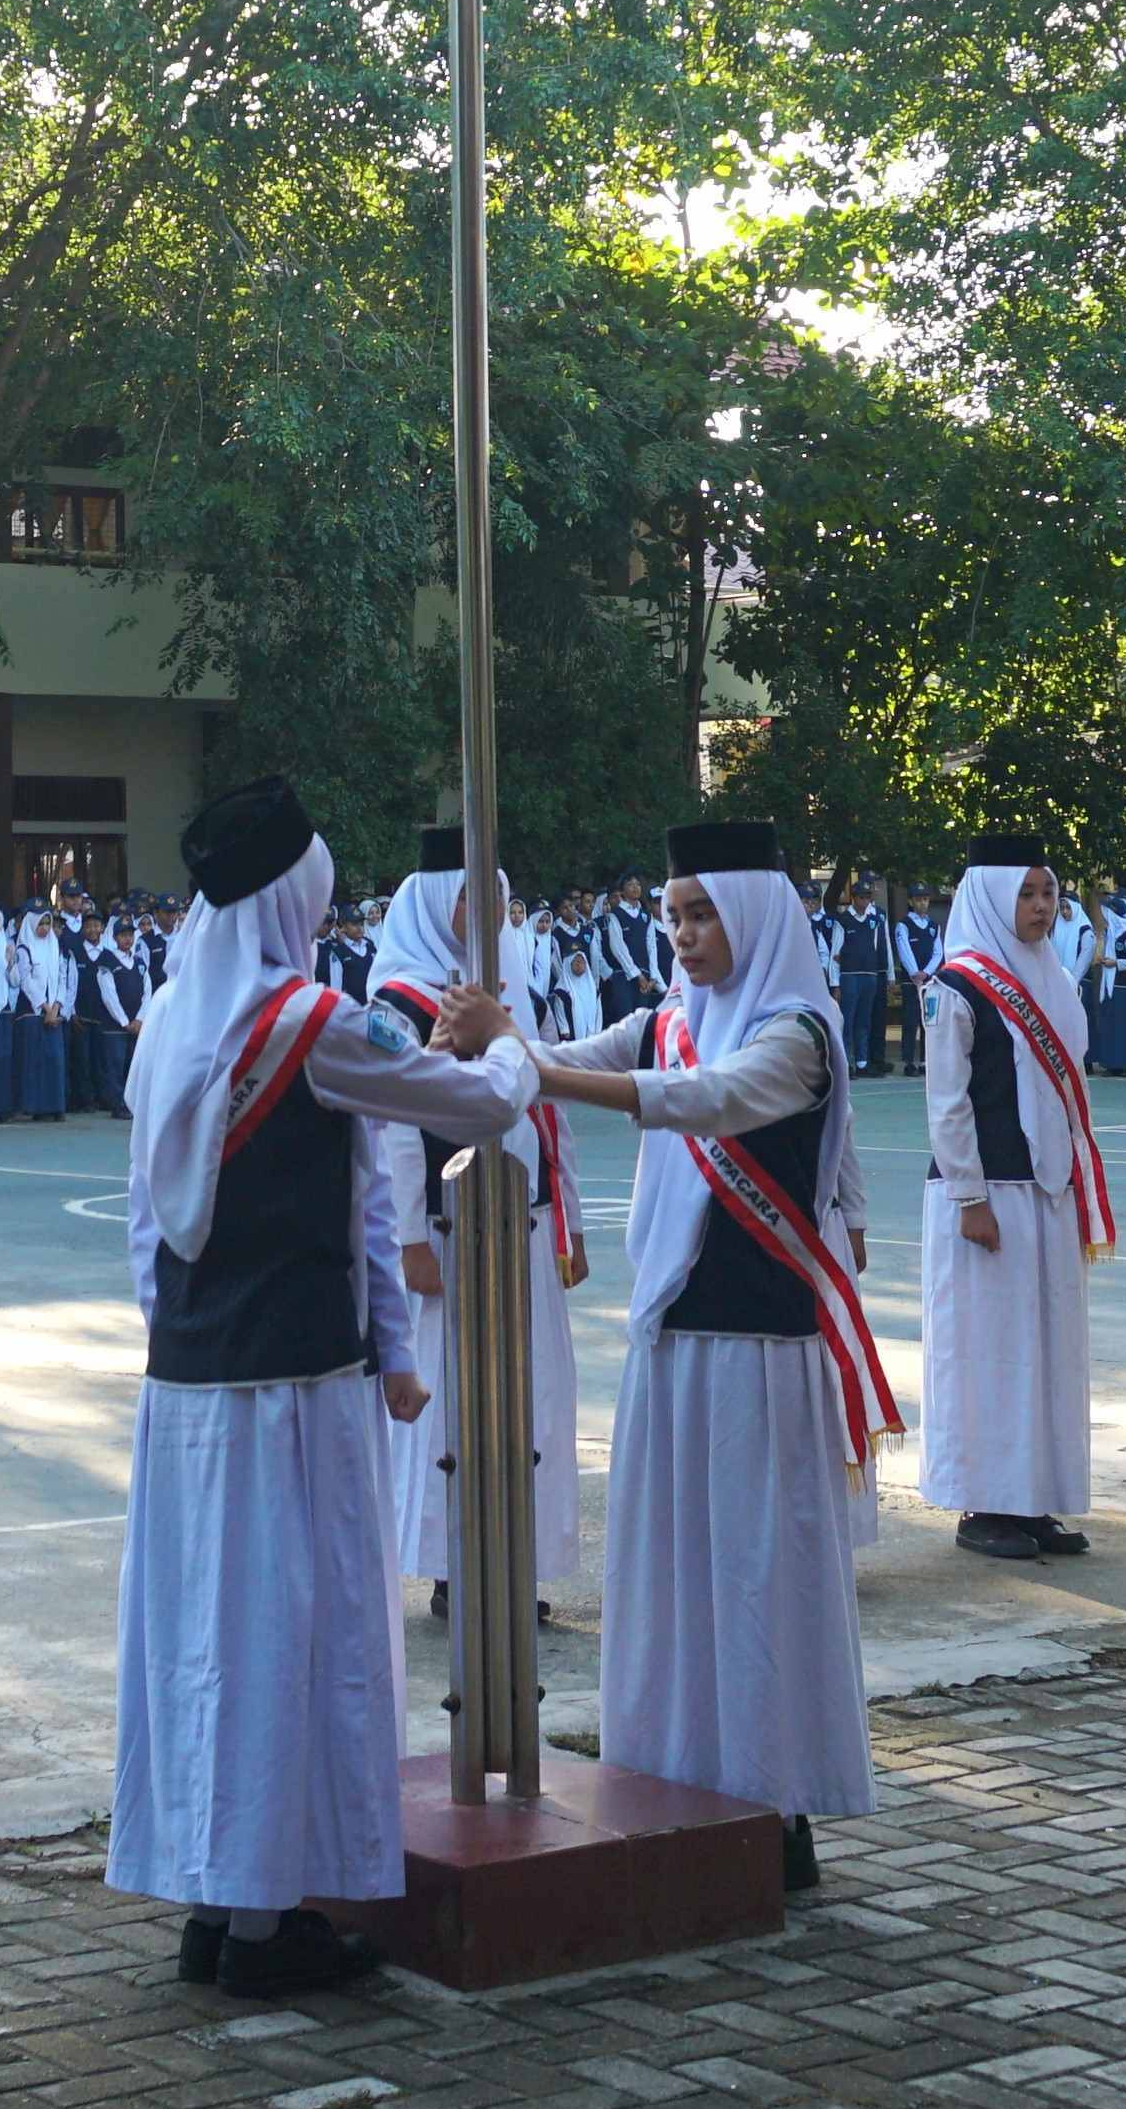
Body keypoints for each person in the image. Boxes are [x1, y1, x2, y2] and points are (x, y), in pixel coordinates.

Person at [106, 779, 541, 1999]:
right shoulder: (315, 1022)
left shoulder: (168, 1019)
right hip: (290, 1387)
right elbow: (480, 1105)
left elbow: (147, 1234)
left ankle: (220, 1900)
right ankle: (261, 1928)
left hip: (191, 1386)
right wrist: (497, 1033)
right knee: (287, 1643)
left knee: (208, 1643)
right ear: (295, 894)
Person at [516, 819, 892, 1895]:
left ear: (755, 910)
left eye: (700, 910)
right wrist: (506, 1051)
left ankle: (772, 1803)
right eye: (672, 911)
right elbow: (579, 1059)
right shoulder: (672, 1017)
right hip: (671, 1345)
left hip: (759, 1359)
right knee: (674, 1574)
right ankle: (674, 1781)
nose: (681, 931)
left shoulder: (798, 1033)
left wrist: (545, 1070)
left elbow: (708, 1098)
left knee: (756, 1579)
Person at [361, 831, 582, 1612]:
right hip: (448, 1231)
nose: (484, 911)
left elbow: (545, 1107)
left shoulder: (507, 987)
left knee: (529, 1397)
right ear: (430, 903)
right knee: (456, 1399)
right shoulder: (398, 1000)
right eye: (467, 896)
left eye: (494, 895)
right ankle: (459, 1567)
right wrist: (410, 1238)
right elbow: (391, 1126)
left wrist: (570, 1218)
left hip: (520, 1220)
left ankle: (514, 1559)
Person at [918, 837, 1109, 1564]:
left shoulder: (1053, 975)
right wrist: (969, 1195)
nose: (1039, 906)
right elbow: (945, 1102)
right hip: (986, 1194)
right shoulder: (957, 984)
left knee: (1046, 1349)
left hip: (1047, 1189)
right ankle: (982, 1502)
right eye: (1025, 893)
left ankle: (1032, 1498)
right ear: (993, 898)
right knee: (989, 1352)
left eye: (1046, 892)